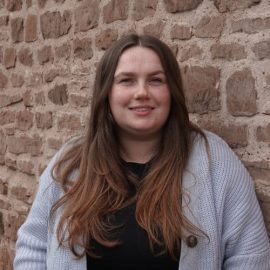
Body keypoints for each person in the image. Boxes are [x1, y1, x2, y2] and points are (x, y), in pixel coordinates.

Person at [14, 34, 270, 270]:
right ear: (107, 93)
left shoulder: (214, 161)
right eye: (126, 80)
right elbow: (33, 247)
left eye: (156, 80)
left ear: (171, 91)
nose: (142, 93)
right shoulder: (71, 163)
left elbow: (249, 257)